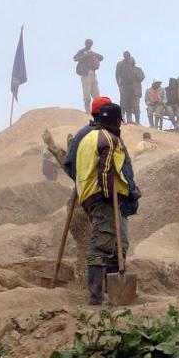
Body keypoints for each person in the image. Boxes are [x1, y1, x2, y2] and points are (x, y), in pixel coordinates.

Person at [63, 101, 141, 305]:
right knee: (102, 243)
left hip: (89, 195)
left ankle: (111, 290)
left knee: (112, 242)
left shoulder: (87, 137)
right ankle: (97, 295)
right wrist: (109, 195)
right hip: (103, 196)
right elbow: (106, 169)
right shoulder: (108, 138)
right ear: (116, 121)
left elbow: (75, 167)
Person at [74, 39, 103, 113]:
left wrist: (95, 55)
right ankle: (88, 110)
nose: (89, 45)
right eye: (88, 43)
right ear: (85, 44)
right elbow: (75, 58)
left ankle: (97, 111)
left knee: (96, 93)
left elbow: (101, 58)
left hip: (92, 73)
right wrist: (86, 56)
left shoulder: (92, 53)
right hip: (85, 73)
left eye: (91, 44)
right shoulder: (82, 51)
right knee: (86, 92)